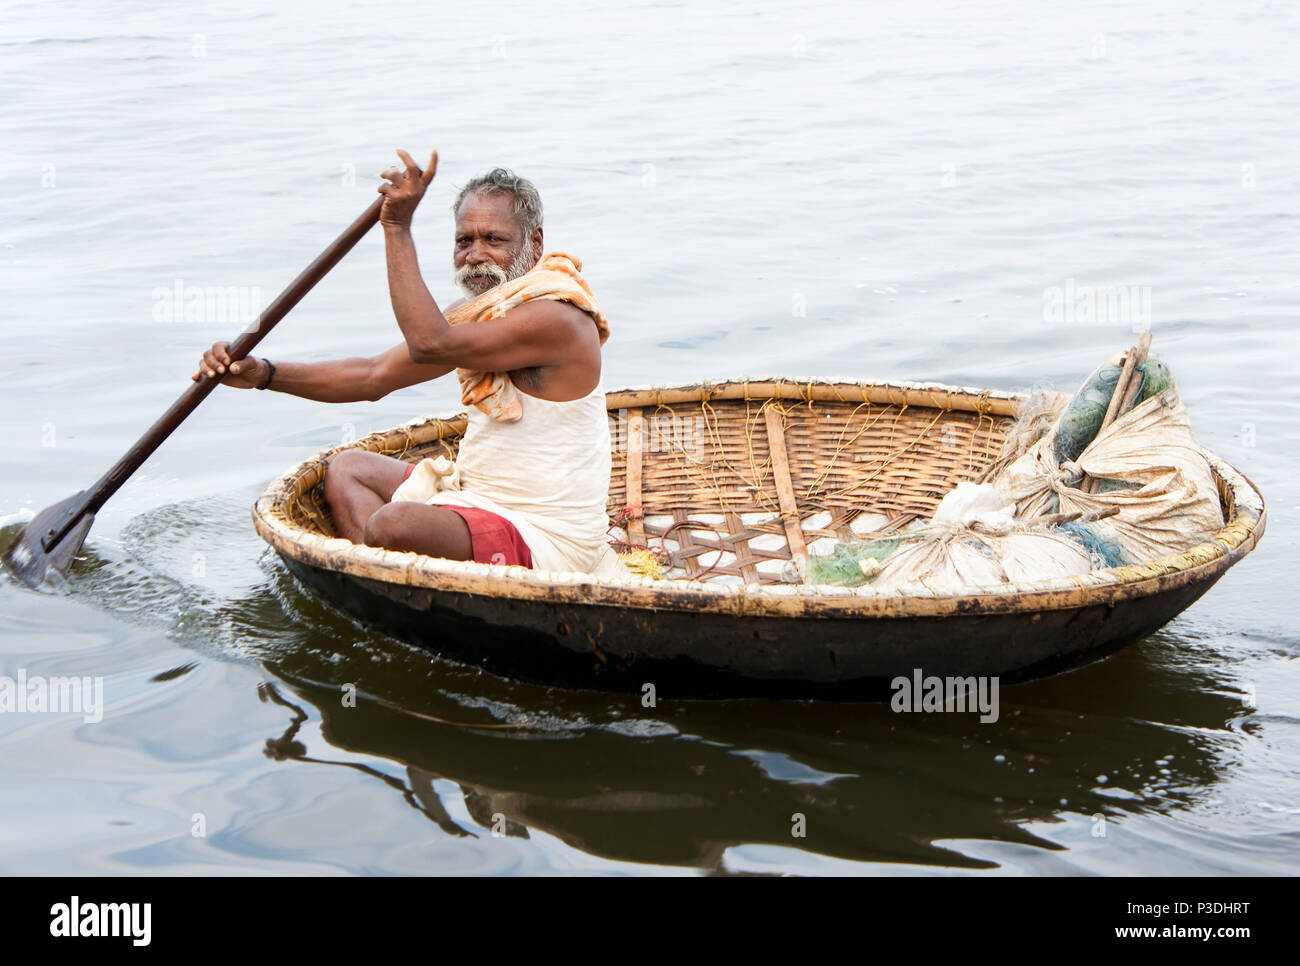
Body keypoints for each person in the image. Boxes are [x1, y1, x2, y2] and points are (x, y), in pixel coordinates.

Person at [194, 149, 626, 577]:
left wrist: (397, 226)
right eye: (464, 241)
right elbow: (371, 376)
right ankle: (395, 585)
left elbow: (428, 344)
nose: (475, 254)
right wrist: (263, 374)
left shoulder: (557, 318)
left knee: (393, 523)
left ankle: (389, 578)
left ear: (534, 244)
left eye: (493, 240)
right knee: (349, 469)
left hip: (546, 539)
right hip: (473, 498)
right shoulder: (478, 317)